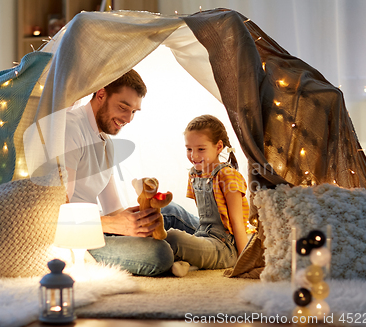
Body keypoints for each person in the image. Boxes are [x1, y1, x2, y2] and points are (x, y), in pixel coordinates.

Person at [64, 69, 198, 276]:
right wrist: (115, 225)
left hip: (100, 225)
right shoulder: (70, 129)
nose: (128, 118)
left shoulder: (105, 143)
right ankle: (203, 249)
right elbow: (57, 214)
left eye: (134, 111)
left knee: (169, 211)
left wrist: (135, 218)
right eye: (123, 107)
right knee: (159, 254)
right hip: (77, 237)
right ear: (101, 94)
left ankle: (223, 240)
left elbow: (112, 208)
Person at [165, 114, 250, 277]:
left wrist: (245, 262)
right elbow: (204, 218)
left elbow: (237, 223)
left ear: (218, 147)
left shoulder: (228, 176)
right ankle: (188, 263)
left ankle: (187, 260)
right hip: (203, 234)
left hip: (225, 247)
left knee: (173, 238)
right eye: (189, 149)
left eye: (201, 149)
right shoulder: (194, 174)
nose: (193, 156)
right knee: (167, 216)